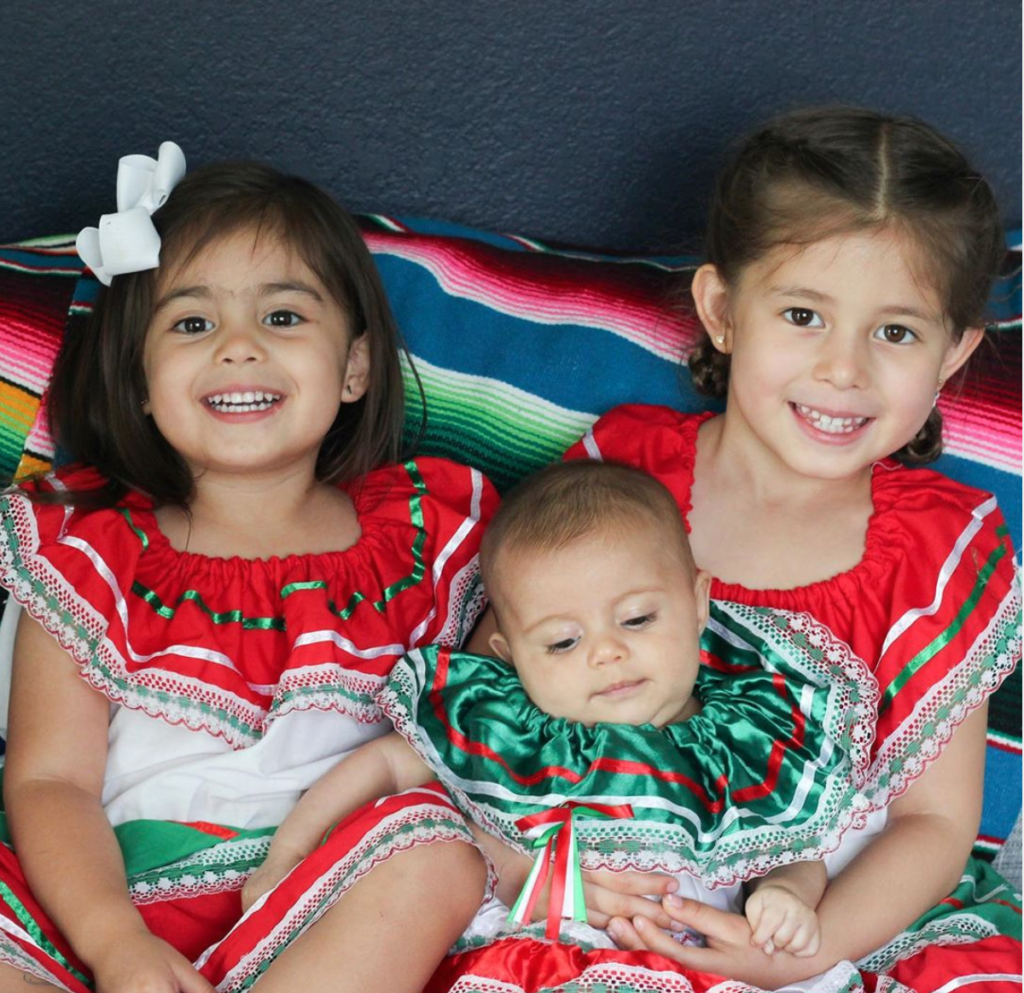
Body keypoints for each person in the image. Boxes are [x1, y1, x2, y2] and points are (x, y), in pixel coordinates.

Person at [436, 107, 1022, 993]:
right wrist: (542, 873)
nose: (844, 370)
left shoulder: (941, 544)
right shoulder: (629, 472)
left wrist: (812, 946)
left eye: (895, 332)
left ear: (952, 355)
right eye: (802, 314)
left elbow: (935, 824)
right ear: (722, 309)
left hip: (834, 918)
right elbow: (480, 712)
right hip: (605, 890)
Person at [0, 146, 498, 993]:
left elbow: (495, 730)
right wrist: (115, 941)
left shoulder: (431, 540)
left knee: (439, 853)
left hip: (334, 911)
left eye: (282, 318)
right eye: (192, 323)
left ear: (354, 368)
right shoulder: (88, 549)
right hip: (109, 909)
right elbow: (50, 781)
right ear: (142, 382)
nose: (237, 348)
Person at [246, 460, 880, 968]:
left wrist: (788, 896)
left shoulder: (742, 740)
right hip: (528, 960)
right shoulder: (510, 727)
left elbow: (790, 846)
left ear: (697, 602)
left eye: (636, 619)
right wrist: (287, 855)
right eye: (562, 642)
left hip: (686, 970)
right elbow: (385, 764)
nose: (607, 652)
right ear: (510, 655)